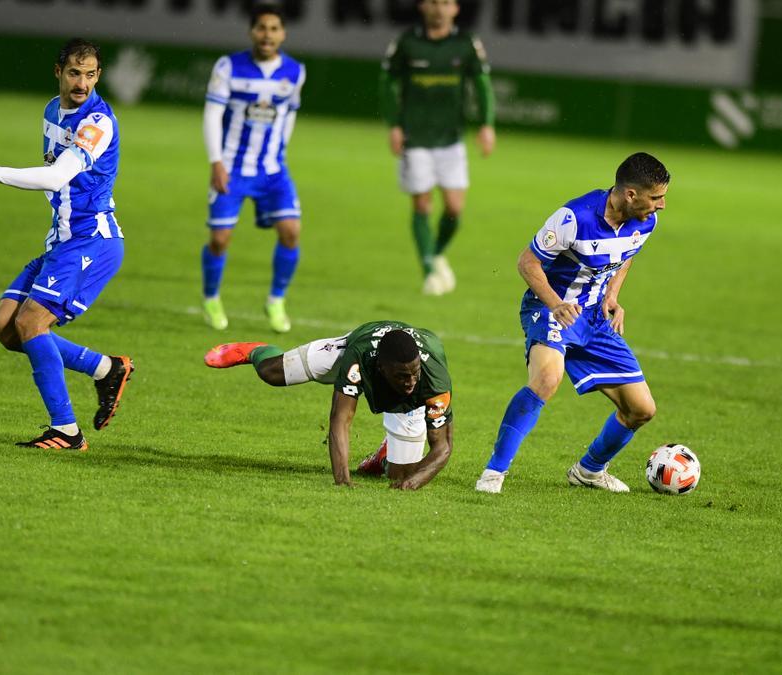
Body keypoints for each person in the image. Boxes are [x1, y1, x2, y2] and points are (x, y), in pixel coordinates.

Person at [0, 38, 134, 451]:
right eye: (75, 73)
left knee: (31, 323)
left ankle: (66, 430)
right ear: (58, 72)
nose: (82, 83)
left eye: (91, 74)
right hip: (63, 239)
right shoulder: (51, 110)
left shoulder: (97, 122)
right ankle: (105, 368)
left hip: (91, 241)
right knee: (5, 328)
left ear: (99, 75)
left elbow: (54, 178)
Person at [476, 152, 671, 493]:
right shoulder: (574, 217)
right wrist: (557, 304)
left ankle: (589, 471)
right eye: (656, 197)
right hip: (549, 308)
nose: (662, 205)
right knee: (547, 378)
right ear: (630, 194)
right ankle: (493, 473)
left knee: (641, 409)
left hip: (594, 318)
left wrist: (612, 296)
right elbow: (527, 263)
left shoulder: (646, 222)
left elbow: (625, 257)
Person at [205, 321, 453, 489]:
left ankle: (384, 457)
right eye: (402, 376)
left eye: (414, 374)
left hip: (408, 402)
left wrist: (410, 484)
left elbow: (443, 447)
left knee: (404, 475)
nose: (410, 382)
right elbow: (340, 419)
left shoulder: (434, 379)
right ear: (381, 368)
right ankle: (255, 351)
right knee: (272, 373)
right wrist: (342, 482)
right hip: (351, 348)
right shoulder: (360, 357)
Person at [200, 4, 306, 333]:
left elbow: (289, 115)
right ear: (251, 32)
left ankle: (276, 300)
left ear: (283, 34)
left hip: (273, 170)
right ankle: (211, 297)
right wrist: (216, 161)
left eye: (274, 29)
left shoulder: (295, 71)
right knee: (220, 239)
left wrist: (281, 151)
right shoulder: (228, 66)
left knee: (291, 231)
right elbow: (212, 115)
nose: (267, 35)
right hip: (231, 167)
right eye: (261, 28)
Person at [380, 0, 495, 296]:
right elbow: (388, 82)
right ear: (423, 7)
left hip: (451, 138)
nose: (439, 8)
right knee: (422, 204)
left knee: (455, 208)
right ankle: (430, 270)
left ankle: (436, 252)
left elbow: (482, 83)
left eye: (445, 3)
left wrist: (486, 124)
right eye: (433, 2)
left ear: (455, 9)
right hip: (414, 137)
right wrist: (394, 124)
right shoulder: (407, 42)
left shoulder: (465, 43)